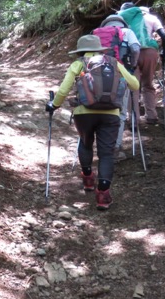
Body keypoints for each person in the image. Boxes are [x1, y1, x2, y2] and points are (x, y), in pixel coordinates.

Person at [46, 34, 140, 210]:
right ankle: (103, 195)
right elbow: (134, 85)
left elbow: (65, 88)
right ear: (99, 49)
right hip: (111, 114)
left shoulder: (78, 64)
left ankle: (88, 178)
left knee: (86, 143)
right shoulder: (113, 62)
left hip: (84, 113)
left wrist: (54, 105)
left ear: (80, 51)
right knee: (106, 154)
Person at [118, 3, 165, 125]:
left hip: (131, 54)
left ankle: (134, 119)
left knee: (133, 86)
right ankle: (151, 115)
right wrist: (164, 53)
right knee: (148, 84)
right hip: (150, 53)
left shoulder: (123, 18)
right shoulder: (151, 18)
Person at [97, 14, 140, 156]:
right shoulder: (127, 32)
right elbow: (135, 49)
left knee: (98, 107)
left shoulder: (97, 32)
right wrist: (132, 65)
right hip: (121, 75)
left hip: (98, 75)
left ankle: (100, 144)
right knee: (120, 111)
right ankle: (115, 146)